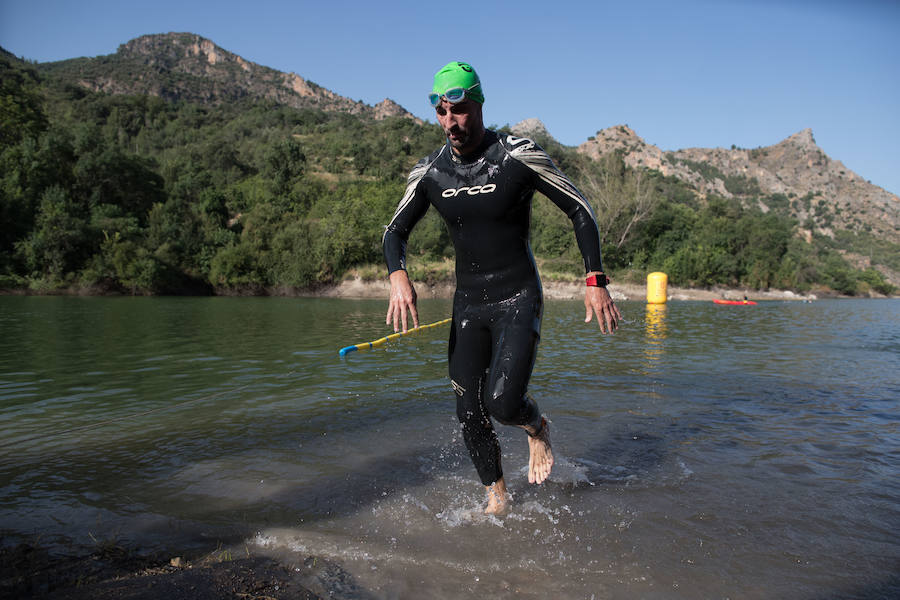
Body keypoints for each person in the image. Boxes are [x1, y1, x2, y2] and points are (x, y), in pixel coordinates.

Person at [383, 61, 621, 514]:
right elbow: (393, 233)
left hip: (517, 296)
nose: (451, 123)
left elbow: (579, 208)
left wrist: (594, 279)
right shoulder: (430, 172)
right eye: (442, 114)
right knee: (468, 412)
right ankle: (497, 496)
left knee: (502, 400)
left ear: (479, 104)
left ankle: (536, 427)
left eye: (460, 110)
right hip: (468, 304)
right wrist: (398, 277)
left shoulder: (517, 154)